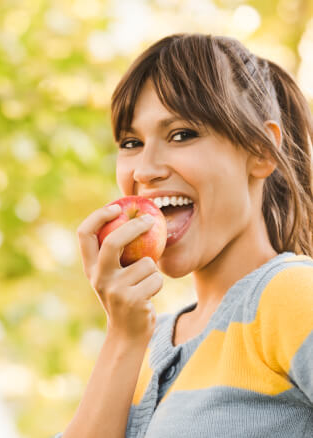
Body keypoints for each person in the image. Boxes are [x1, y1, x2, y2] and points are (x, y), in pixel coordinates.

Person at [54, 33, 313, 438]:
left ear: (261, 150)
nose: (145, 169)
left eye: (181, 134)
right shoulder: (147, 342)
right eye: (131, 142)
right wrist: (123, 336)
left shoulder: (292, 294)